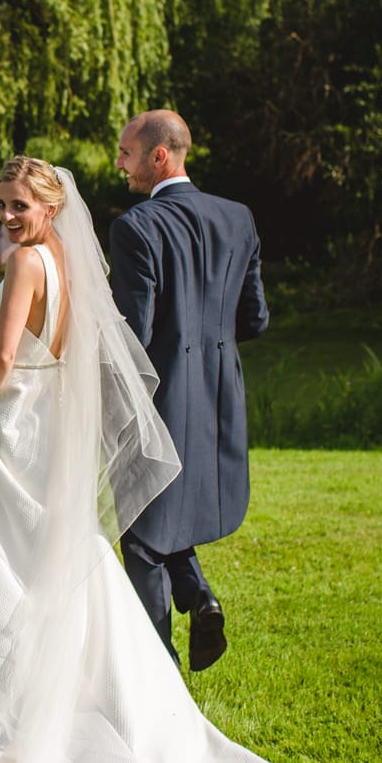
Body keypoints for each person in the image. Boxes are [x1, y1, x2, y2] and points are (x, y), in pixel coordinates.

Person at [0, 156, 306, 763]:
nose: (8, 217)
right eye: (2, 206)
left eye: (19, 205)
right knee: (63, 552)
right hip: (53, 419)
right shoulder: (69, 259)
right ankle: (91, 692)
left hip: (18, 421)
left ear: (49, 206)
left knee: (13, 563)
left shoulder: (26, 264)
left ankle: (23, 713)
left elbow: (1, 353)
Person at [108, 110, 268, 672]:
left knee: (143, 535)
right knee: (164, 515)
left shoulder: (137, 228)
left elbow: (135, 333)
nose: (119, 163)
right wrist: (210, 345)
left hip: (157, 402)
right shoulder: (238, 218)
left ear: (159, 156)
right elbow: (255, 318)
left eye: (126, 152)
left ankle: (161, 676)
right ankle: (200, 599)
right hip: (220, 399)